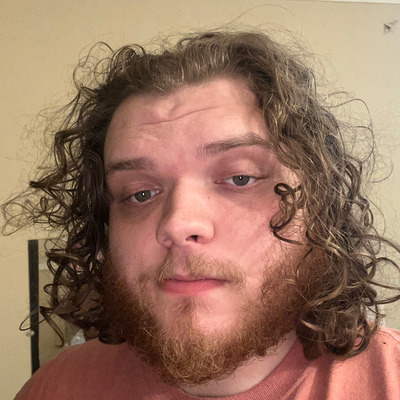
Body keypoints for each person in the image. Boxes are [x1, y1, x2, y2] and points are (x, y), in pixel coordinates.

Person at [5, 30, 400, 399]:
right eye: (140, 194)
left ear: (319, 205)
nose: (178, 224)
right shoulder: (56, 387)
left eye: (240, 178)